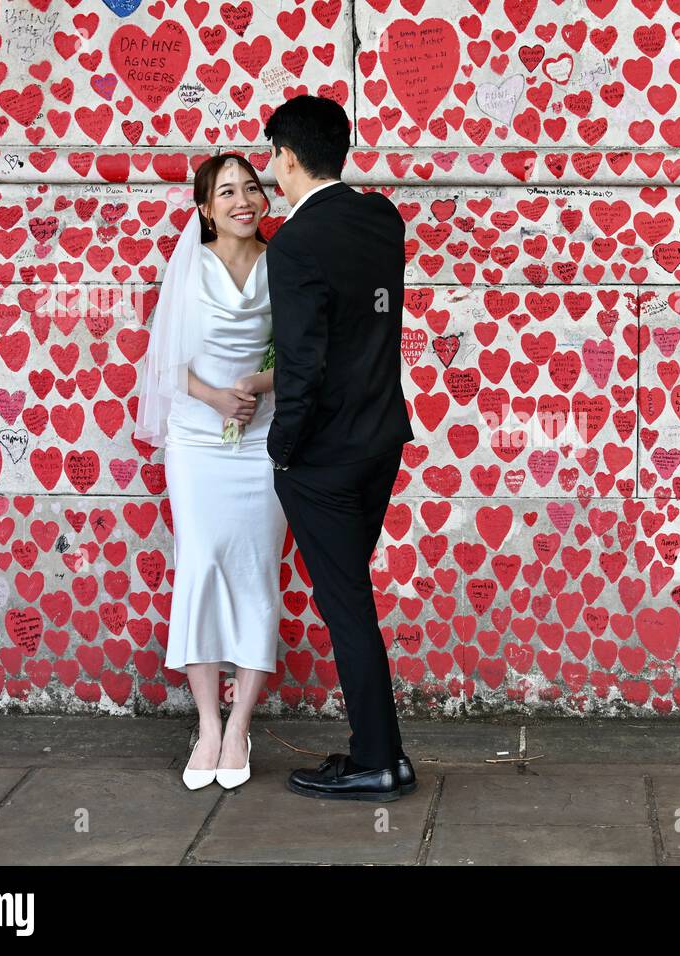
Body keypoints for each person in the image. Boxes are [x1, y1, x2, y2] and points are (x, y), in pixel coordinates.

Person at [263, 94, 417, 801]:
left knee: (347, 605)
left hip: (323, 458)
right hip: (382, 441)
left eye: (273, 159)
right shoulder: (383, 219)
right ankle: (382, 753)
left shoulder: (294, 243)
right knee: (352, 600)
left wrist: (283, 450)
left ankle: (378, 762)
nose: (272, 172)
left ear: (289, 158)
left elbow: (303, 364)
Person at [134, 152, 284, 791]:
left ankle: (242, 724)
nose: (243, 200)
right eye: (227, 191)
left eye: (251, 187)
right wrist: (217, 397)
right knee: (199, 570)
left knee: (256, 574)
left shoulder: (284, 264)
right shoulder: (188, 265)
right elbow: (165, 361)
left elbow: (311, 353)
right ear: (204, 207)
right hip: (197, 440)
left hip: (263, 440)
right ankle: (207, 725)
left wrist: (258, 383)